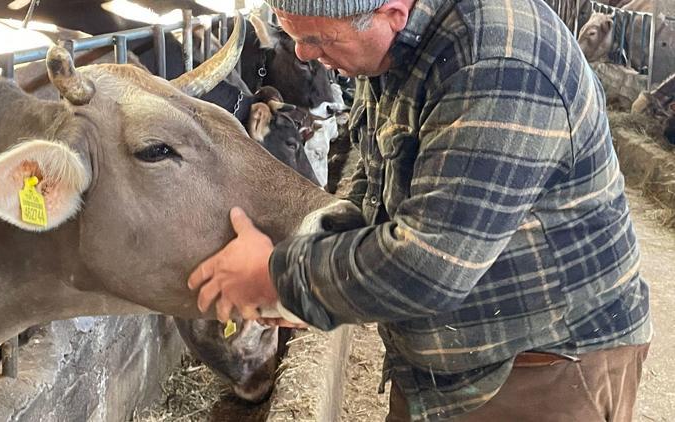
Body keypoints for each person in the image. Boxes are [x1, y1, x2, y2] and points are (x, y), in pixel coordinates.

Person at [188, 0, 652, 420]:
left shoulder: (498, 61)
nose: (304, 55)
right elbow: (378, 189)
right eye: (294, 37)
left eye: (318, 39)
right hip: (447, 363)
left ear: (392, 11)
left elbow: (430, 265)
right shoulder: (396, 49)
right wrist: (306, 250)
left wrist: (276, 276)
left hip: (542, 367)